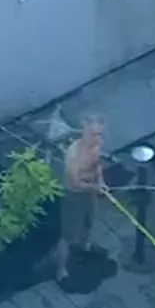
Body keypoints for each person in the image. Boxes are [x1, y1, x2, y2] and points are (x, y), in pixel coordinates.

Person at [54, 117, 106, 281]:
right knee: (67, 236)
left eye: (100, 134)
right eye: (94, 134)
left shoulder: (97, 145)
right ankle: (61, 269)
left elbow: (97, 164)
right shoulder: (74, 156)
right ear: (84, 131)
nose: (98, 138)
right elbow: (75, 183)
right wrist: (95, 187)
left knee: (89, 221)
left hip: (89, 191)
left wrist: (101, 181)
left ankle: (85, 245)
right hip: (74, 196)